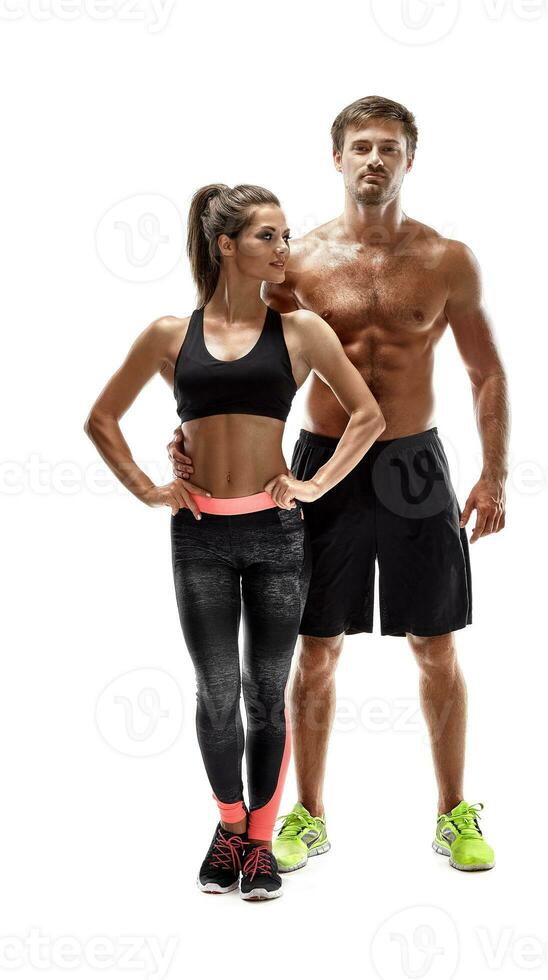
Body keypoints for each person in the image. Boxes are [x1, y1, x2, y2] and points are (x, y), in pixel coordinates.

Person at [169, 95, 510, 875]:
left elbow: (485, 371)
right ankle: (308, 814)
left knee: (435, 643)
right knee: (315, 648)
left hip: (415, 467)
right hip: (320, 460)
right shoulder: (297, 260)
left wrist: (494, 474)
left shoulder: (447, 258)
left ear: (409, 161)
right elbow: (222, 348)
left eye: (390, 147)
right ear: (337, 157)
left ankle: (454, 811)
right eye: (360, 146)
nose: (374, 159)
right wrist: (186, 435)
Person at [84, 182, 385, 900]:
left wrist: (312, 487)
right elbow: (101, 418)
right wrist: (152, 488)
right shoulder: (167, 335)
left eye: (286, 236)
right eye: (268, 237)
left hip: (277, 534)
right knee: (217, 692)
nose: (284, 249)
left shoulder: (302, 331)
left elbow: (366, 416)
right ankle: (228, 826)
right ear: (227, 245)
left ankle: (260, 842)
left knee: (263, 692)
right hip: (199, 536)